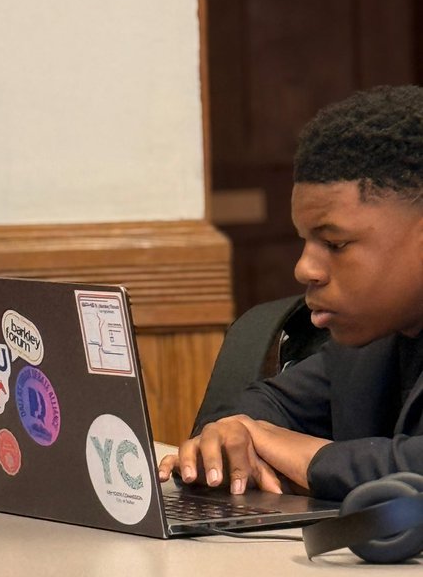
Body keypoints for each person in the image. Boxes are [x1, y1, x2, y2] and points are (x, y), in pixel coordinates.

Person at [158, 84, 423, 503]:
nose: (305, 268)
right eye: (305, 241)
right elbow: (260, 409)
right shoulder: (367, 345)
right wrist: (229, 437)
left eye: (335, 244)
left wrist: (310, 457)